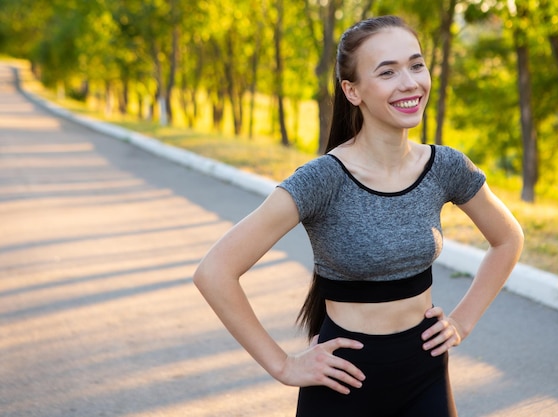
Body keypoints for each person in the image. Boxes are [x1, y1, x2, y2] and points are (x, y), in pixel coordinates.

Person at [193, 15, 524, 417]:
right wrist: (283, 365)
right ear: (352, 91)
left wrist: (463, 321)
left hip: (425, 374)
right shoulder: (323, 179)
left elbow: (508, 239)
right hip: (342, 381)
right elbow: (214, 271)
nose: (409, 83)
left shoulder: (446, 167)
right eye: (387, 72)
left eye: (416, 65)